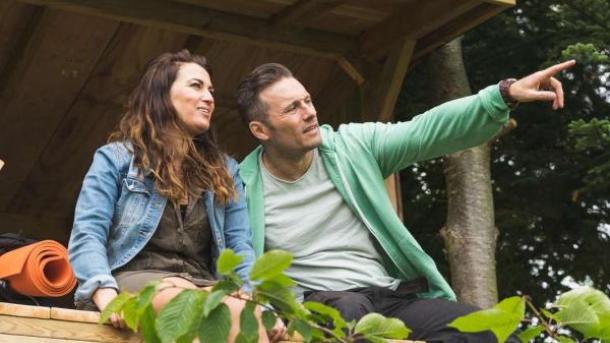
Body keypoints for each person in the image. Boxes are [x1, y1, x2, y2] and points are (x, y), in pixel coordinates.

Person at [235, 60, 575, 342]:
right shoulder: (240, 189)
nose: (309, 112)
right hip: (320, 307)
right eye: (292, 108)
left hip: (388, 298)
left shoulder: (352, 147)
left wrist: (502, 95)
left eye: (307, 100)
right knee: (349, 315)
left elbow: (424, 131)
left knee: (494, 333)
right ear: (261, 130)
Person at [69, 50, 280, 342]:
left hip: (203, 285)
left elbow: (239, 247)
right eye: (196, 86)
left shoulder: (225, 170)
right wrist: (103, 292)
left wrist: (260, 305)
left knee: (245, 312)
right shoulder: (115, 159)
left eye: (211, 90)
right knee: (198, 309)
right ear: (162, 95)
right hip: (137, 280)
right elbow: (88, 233)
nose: (209, 97)